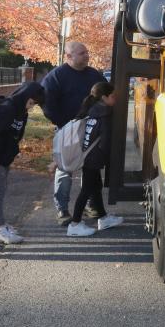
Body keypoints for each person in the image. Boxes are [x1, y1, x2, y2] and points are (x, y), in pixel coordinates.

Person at [40, 41, 107, 225]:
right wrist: (65, 124)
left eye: (87, 52)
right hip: (67, 129)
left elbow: (105, 96)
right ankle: (62, 210)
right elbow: (47, 105)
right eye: (82, 53)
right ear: (68, 57)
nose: (87, 55)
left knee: (91, 168)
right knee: (64, 169)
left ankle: (92, 205)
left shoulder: (94, 74)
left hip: (91, 128)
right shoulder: (56, 77)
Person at [0, 82, 46, 245]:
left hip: (3, 157)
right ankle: (0, 230)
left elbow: (16, 134)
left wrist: (11, 151)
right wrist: (5, 150)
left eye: (34, 104)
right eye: (30, 103)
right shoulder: (7, 109)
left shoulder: (21, 112)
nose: (30, 107)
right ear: (24, 96)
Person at [66, 82, 124, 237]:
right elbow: (105, 142)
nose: (115, 100)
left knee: (95, 186)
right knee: (86, 190)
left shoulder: (92, 111)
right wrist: (109, 159)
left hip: (88, 155)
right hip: (94, 158)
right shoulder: (105, 114)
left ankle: (103, 218)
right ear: (104, 97)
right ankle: (75, 224)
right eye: (113, 97)